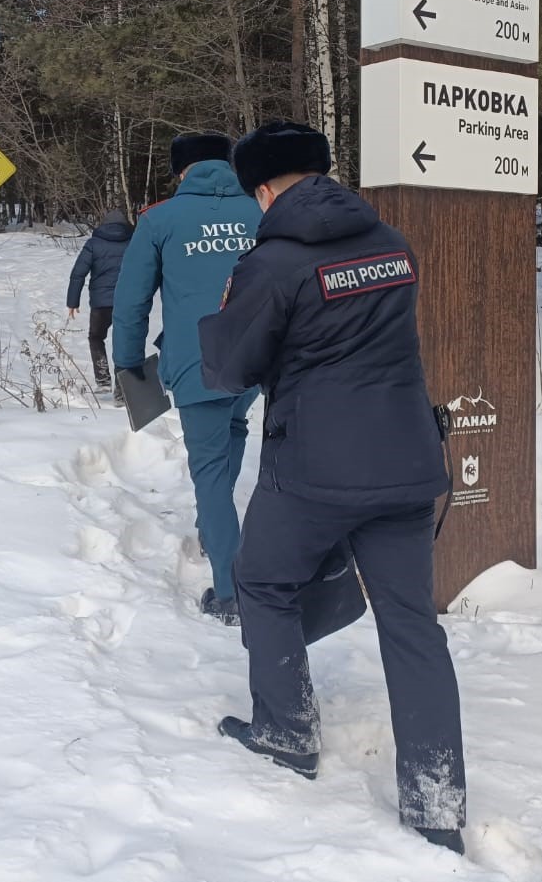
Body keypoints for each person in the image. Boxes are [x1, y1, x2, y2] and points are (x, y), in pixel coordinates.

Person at [197, 120, 466, 856]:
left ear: (262, 188)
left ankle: (286, 729)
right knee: (412, 625)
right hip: (406, 460)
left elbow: (231, 369)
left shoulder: (272, 262)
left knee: (261, 578)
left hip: (313, 469)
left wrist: (223, 312)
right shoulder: (393, 244)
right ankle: (437, 801)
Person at [113, 132, 261, 625]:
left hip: (200, 364)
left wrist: (129, 362)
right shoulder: (261, 210)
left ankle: (231, 592)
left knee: (211, 475)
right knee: (234, 428)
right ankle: (213, 528)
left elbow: (132, 300)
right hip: (258, 361)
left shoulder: (159, 219)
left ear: (181, 172)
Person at [67, 208, 134, 393]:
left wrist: (73, 301)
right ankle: (122, 390)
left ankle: (103, 380)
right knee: (125, 341)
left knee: (96, 337)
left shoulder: (93, 243)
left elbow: (78, 273)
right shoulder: (134, 242)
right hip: (127, 301)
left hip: (100, 303)